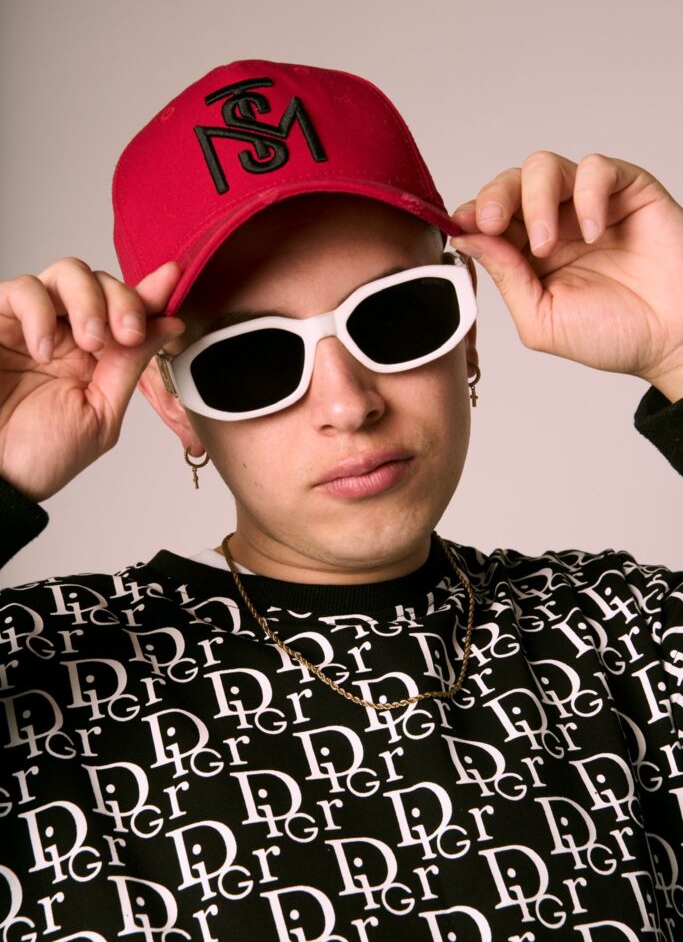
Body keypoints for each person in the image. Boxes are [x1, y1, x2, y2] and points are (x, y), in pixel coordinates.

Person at [0, 59, 681, 942]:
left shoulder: (621, 635)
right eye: (251, 359)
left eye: (396, 317)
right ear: (173, 404)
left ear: (468, 331)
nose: (348, 404)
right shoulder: (39, 664)